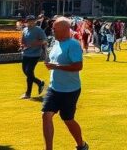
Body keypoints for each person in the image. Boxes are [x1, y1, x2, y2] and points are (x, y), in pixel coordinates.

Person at [41, 16, 88, 150]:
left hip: (70, 90)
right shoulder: (56, 43)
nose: (52, 30)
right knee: (46, 115)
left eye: (55, 29)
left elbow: (78, 66)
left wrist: (55, 66)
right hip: (54, 87)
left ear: (64, 29)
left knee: (67, 119)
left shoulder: (73, 45)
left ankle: (81, 145)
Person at [20, 15, 46, 99]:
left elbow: (44, 41)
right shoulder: (24, 29)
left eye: (32, 21)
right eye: (29, 21)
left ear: (35, 21)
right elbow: (23, 40)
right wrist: (22, 45)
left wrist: (35, 43)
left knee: (29, 71)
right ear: (26, 22)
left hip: (35, 54)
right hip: (26, 53)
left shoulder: (39, 30)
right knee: (26, 72)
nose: (31, 22)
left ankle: (28, 93)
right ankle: (39, 83)